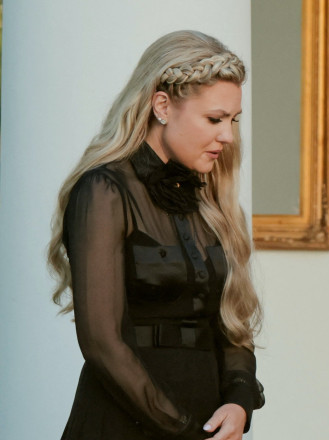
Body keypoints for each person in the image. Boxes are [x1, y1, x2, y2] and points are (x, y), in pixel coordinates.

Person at [48, 30, 264, 440]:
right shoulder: (104, 191)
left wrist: (239, 402)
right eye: (214, 119)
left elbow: (232, 323)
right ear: (162, 105)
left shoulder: (211, 200)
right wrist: (181, 429)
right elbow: (102, 344)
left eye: (233, 121)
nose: (228, 136)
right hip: (126, 424)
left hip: (206, 423)